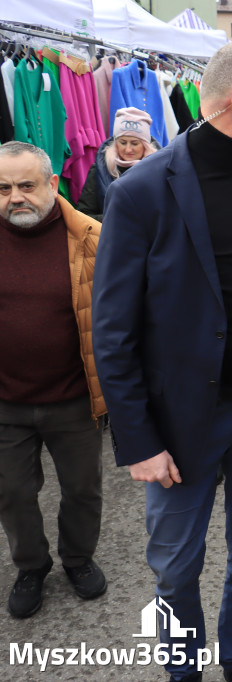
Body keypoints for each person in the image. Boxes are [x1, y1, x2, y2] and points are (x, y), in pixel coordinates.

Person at [91, 42, 232, 682]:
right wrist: (139, 440)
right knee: (176, 566)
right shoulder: (143, 192)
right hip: (182, 420)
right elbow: (113, 330)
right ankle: (183, 671)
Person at [0, 141, 107, 619]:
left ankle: (78, 559)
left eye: (26, 185)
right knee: (12, 492)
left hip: (72, 398)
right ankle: (31, 565)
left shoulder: (91, 239)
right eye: (3, 188)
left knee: (82, 488)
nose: (15, 197)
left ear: (51, 184)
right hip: (6, 403)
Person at [77, 107, 159, 221]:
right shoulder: (99, 170)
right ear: (116, 143)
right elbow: (83, 215)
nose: (128, 149)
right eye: (123, 142)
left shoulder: (158, 171)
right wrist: (116, 218)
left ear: (145, 145)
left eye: (134, 143)